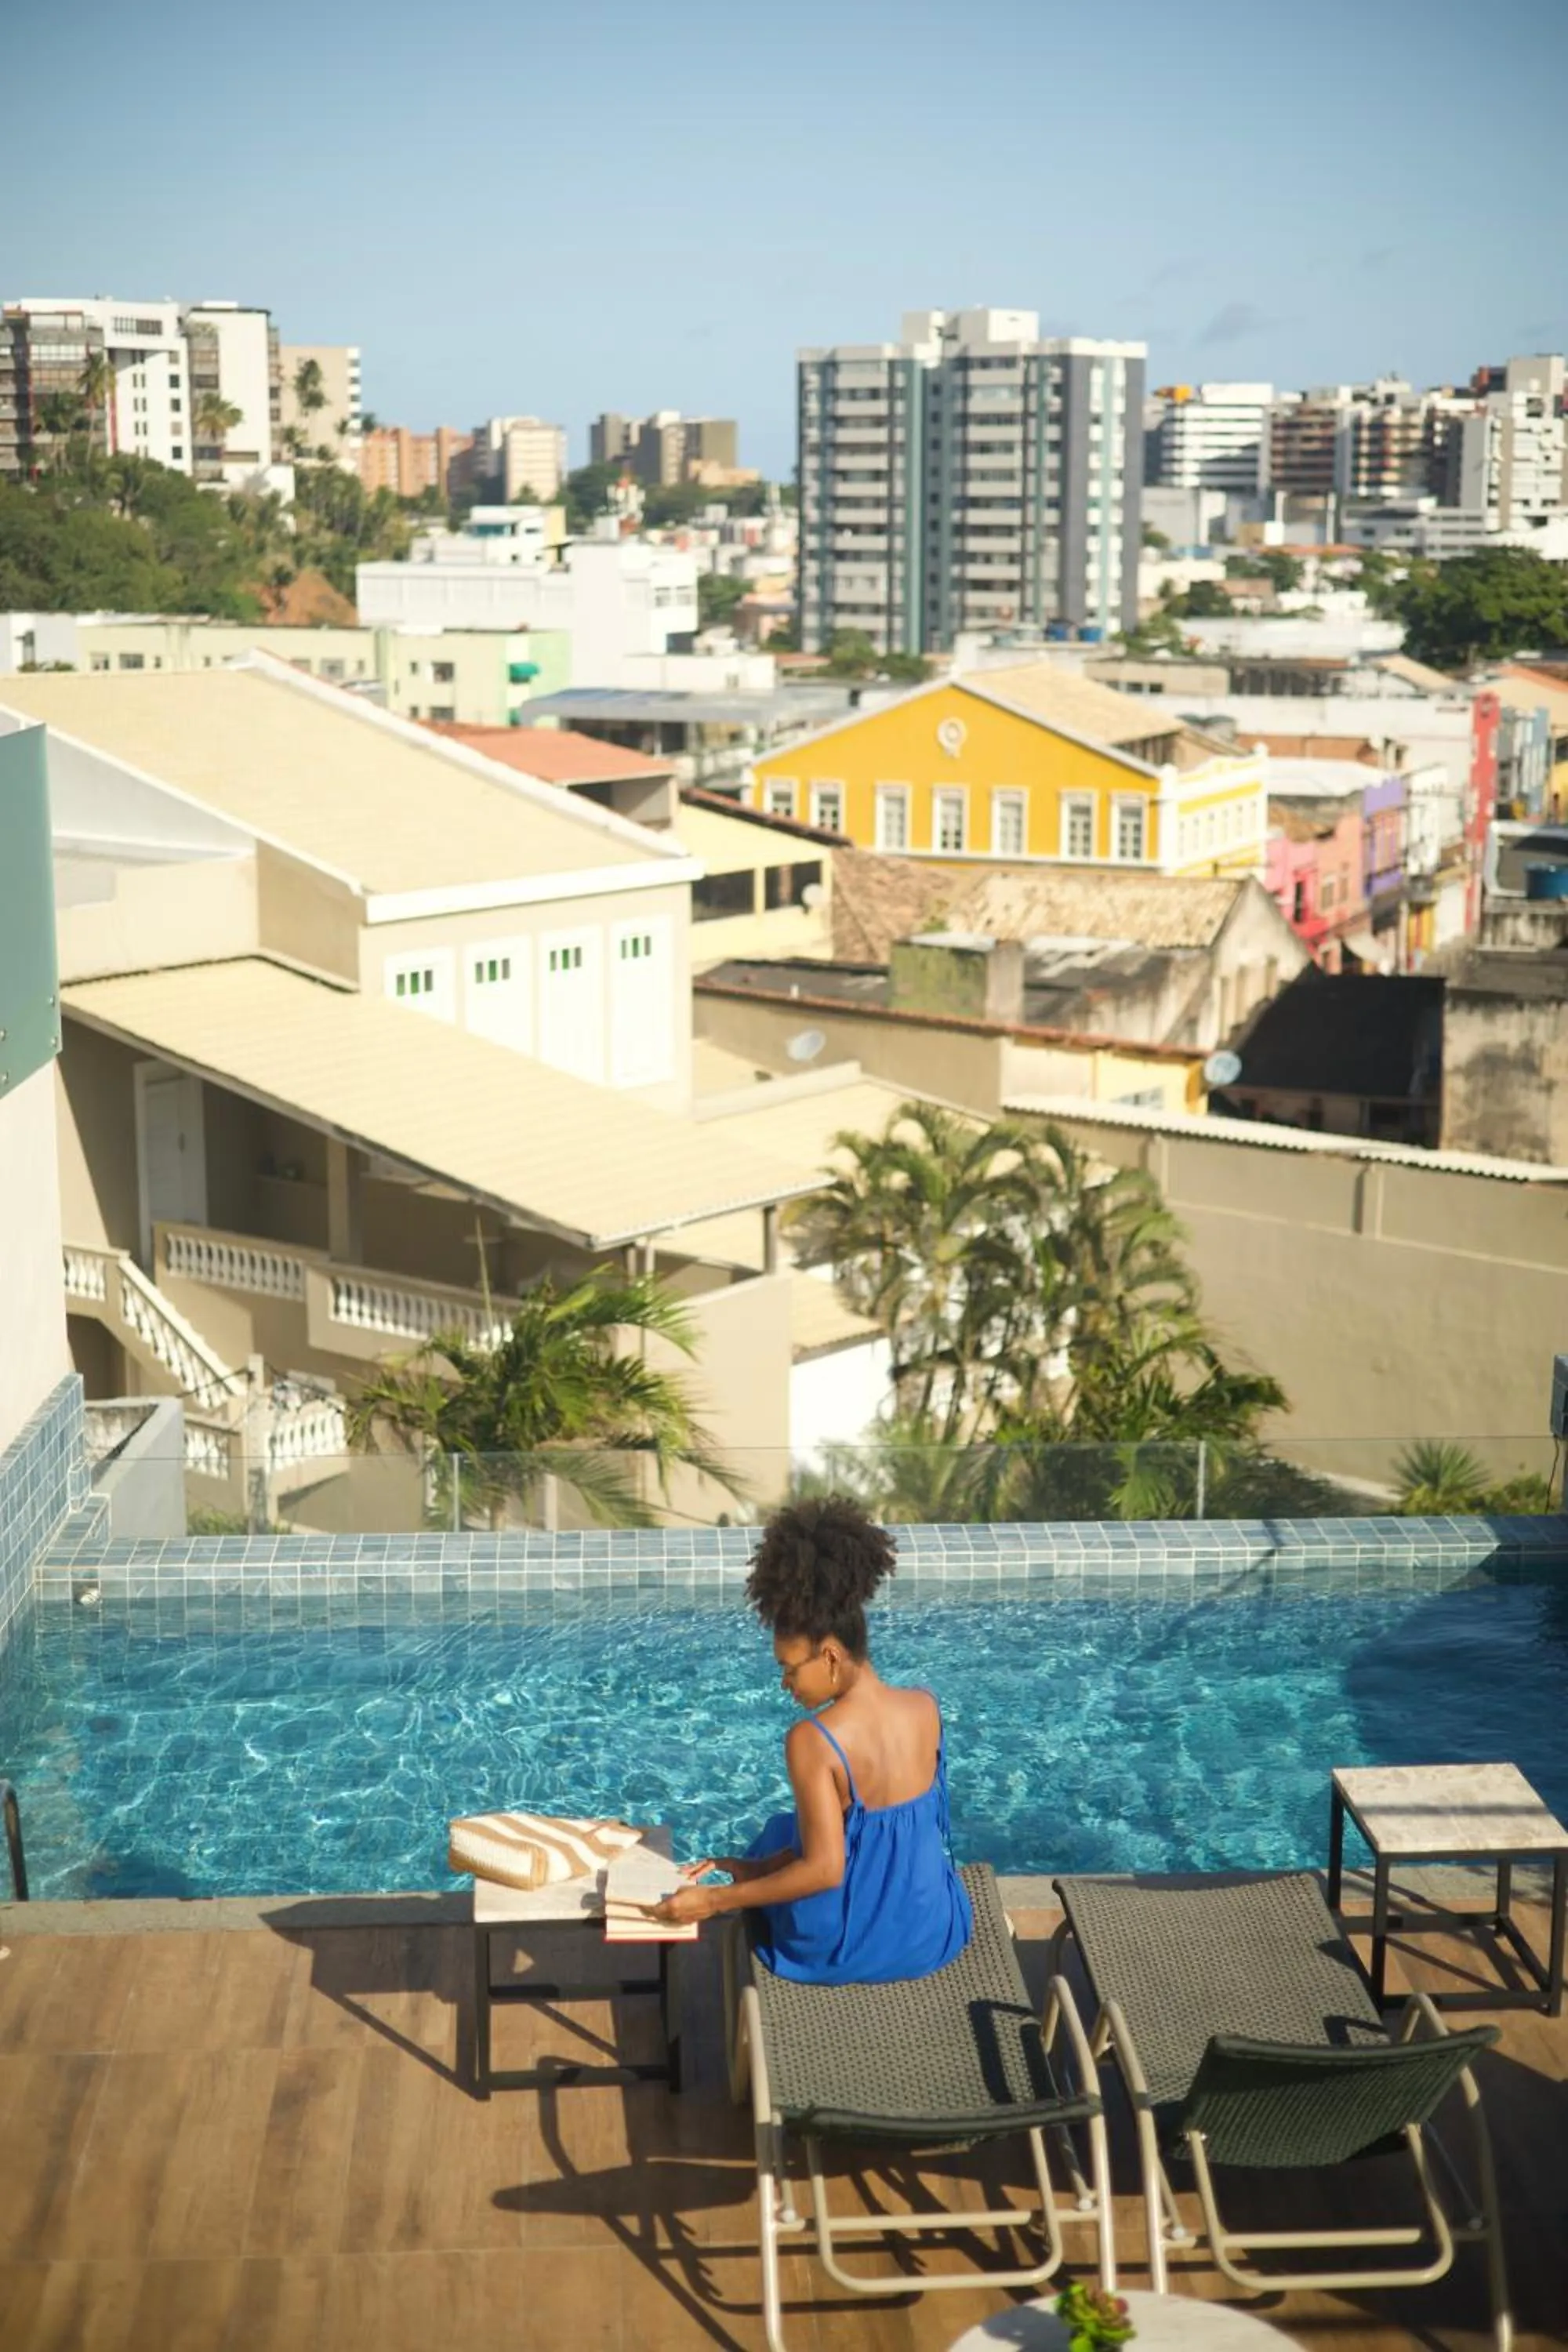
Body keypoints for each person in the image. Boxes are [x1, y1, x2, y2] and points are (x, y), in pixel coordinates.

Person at [653, 1496, 972, 1982]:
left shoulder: (814, 1740)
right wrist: (752, 1869)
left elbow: (826, 1870)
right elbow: (879, 1833)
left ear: (828, 1656)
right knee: (782, 1837)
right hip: (932, 1930)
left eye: (788, 1667)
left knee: (778, 1835)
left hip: (853, 1945)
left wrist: (713, 1900)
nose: (785, 1683)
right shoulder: (925, 1706)